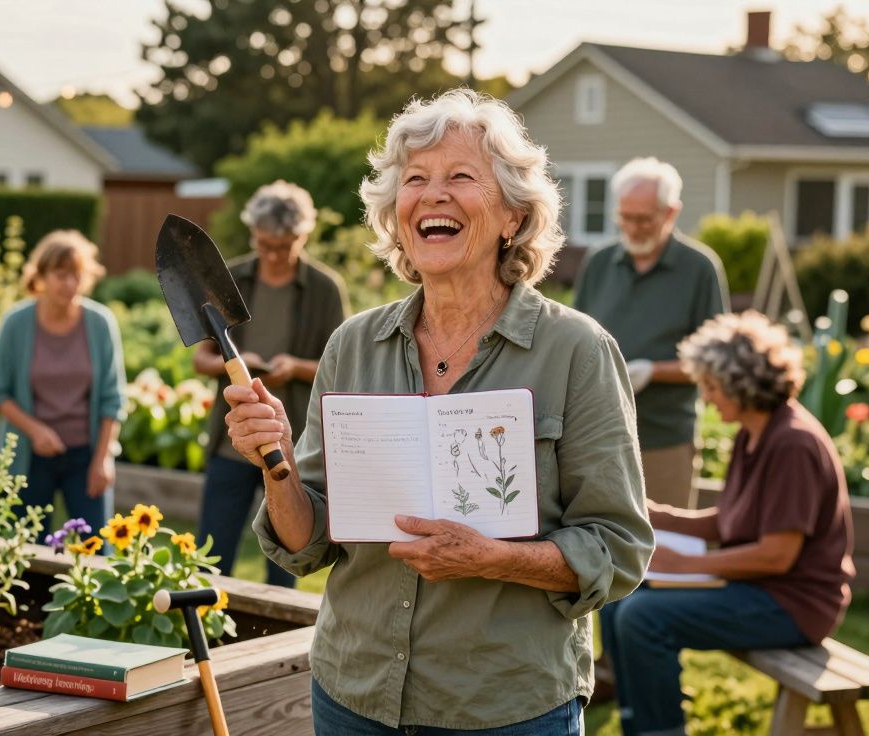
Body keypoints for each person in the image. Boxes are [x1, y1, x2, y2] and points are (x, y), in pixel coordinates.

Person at [225, 89, 654, 734]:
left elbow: (618, 548)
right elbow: (307, 542)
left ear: (512, 215)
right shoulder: (353, 346)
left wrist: (494, 558)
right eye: (415, 180)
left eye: (460, 177)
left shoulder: (576, 351)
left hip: (503, 707)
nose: (432, 195)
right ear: (396, 217)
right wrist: (275, 464)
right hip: (354, 696)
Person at [602, 311, 854, 736]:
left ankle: (660, 729)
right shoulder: (755, 433)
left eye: (712, 386)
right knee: (620, 592)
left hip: (795, 605)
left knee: (642, 617)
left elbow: (777, 555)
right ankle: (637, 720)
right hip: (759, 591)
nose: (706, 396)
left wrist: (681, 565)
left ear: (742, 385)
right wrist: (648, 511)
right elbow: (728, 522)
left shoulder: (793, 444)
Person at [194, 180, 349, 587]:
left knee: (286, 556)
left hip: (290, 445)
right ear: (254, 235)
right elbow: (200, 357)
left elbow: (341, 367)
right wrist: (236, 363)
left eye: (285, 245)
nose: (274, 255)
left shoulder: (324, 288)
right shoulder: (233, 278)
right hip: (232, 439)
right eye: (265, 245)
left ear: (304, 235)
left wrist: (295, 367)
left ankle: (272, 643)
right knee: (211, 554)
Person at [573, 157, 729, 509]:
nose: (632, 228)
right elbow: (574, 341)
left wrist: (653, 371)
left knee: (663, 546)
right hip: (597, 435)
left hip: (664, 438)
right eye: (625, 218)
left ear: (671, 213)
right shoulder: (599, 263)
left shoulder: (699, 268)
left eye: (644, 219)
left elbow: (716, 362)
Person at [0, 230, 125, 534]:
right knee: (24, 551)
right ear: (41, 276)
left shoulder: (100, 323)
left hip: (86, 454)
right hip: (30, 456)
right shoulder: (16, 323)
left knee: (96, 549)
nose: (70, 284)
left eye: (77, 275)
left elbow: (113, 400)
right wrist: (36, 431)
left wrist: (102, 460)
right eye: (61, 275)